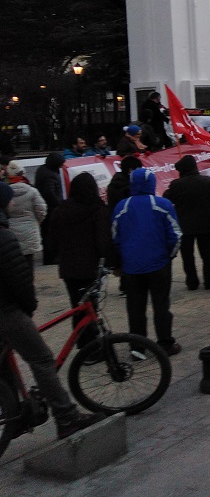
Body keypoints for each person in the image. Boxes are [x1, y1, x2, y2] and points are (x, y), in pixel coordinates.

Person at [0, 203, 105, 439]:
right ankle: (67, 418)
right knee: (42, 360)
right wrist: (28, 307)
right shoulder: (4, 236)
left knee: (4, 364)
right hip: (7, 310)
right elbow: (19, 280)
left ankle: (14, 414)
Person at [111, 168, 183, 356]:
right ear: (152, 183)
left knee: (135, 309)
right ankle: (165, 344)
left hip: (132, 268)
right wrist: (169, 256)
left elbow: (115, 237)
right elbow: (176, 236)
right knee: (161, 306)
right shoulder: (162, 204)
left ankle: (137, 348)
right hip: (159, 265)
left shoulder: (121, 207)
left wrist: (123, 258)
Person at [52, 173, 112, 349]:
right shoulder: (98, 210)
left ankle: (81, 342)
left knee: (76, 305)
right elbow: (103, 241)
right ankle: (91, 347)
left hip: (69, 267)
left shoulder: (60, 210)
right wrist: (109, 261)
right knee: (90, 307)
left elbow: (52, 241)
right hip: (90, 267)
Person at [164, 155, 210, 291]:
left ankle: (192, 281)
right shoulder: (207, 181)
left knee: (188, 256)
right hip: (204, 223)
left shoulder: (177, 185)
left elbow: (167, 198)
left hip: (185, 225)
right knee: (207, 254)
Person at [5, 160, 47, 277]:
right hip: (30, 230)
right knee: (29, 263)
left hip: (11, 231)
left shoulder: (5, 191)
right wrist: (36, 221)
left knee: (13, 264)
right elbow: (41, 209)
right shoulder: (32, 191)